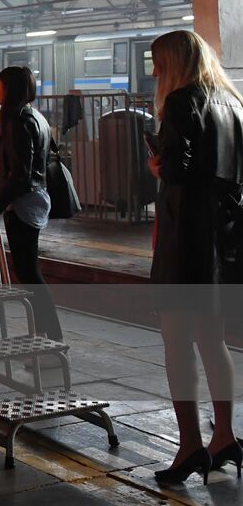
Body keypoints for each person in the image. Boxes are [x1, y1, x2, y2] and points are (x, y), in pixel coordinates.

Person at [146, 30, 243, 485]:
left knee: (177, 345)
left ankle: (189, 446)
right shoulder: (233, 102)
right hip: (221, 239)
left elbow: (179, 171)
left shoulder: (182, 103)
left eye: (158, 64)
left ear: (174, 64)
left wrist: (158, 166)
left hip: (185, 240)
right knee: (214, 341)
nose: (154, 73)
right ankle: (225, 435)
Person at [0, 65, 62, 341]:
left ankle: (50, 336)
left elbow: (21, 174)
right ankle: (44, 333)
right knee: (28, 270)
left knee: (28, 273)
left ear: (10, 89)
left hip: (23, 203)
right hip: (35, 199)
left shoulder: (18, 122)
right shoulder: (34, 117)